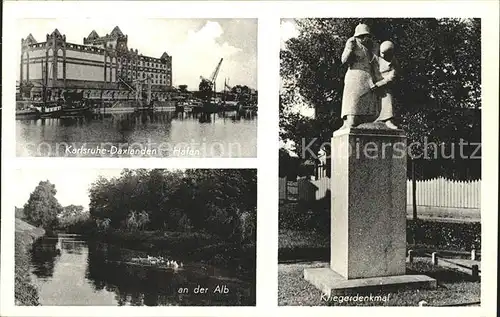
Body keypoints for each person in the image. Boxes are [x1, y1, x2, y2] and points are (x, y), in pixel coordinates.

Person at [340, 23, 379, 128]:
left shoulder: (367, 48)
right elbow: (344, 60)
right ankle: (349, 120)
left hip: (366, 77)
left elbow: (373, 63)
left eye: (366, 36)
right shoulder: (352, 43)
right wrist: (349, 49)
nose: (364, 38)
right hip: (354, 76)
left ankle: (363, 121)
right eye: (362, 36)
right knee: (353, 103)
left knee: (368, 107)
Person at [371, 40, 398, 129]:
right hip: (373, 83)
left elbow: (392, 76)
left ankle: (388, 120)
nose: (383, 56)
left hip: (384, 84)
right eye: (382, 53)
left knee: (388, 96)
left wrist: (380, 84)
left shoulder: (393, 61)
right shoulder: (375, 58)